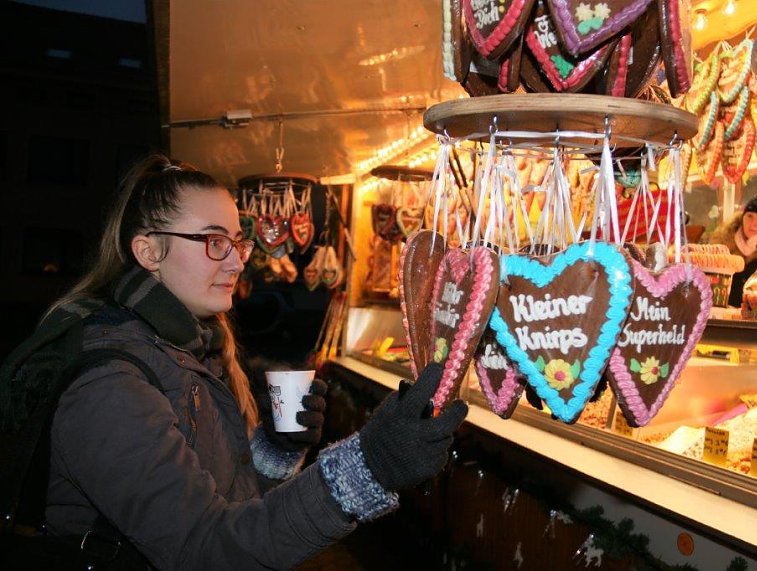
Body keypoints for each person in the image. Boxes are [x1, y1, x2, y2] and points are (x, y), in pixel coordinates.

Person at [1, 154, 467, 569]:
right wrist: (369, 465)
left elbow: (232, 501)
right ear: (148, 252)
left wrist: (275, 449)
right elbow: (206, 548)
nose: (237, 262)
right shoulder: (109, 382)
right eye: (213, 241)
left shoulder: (188, 351)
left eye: (238, 242)